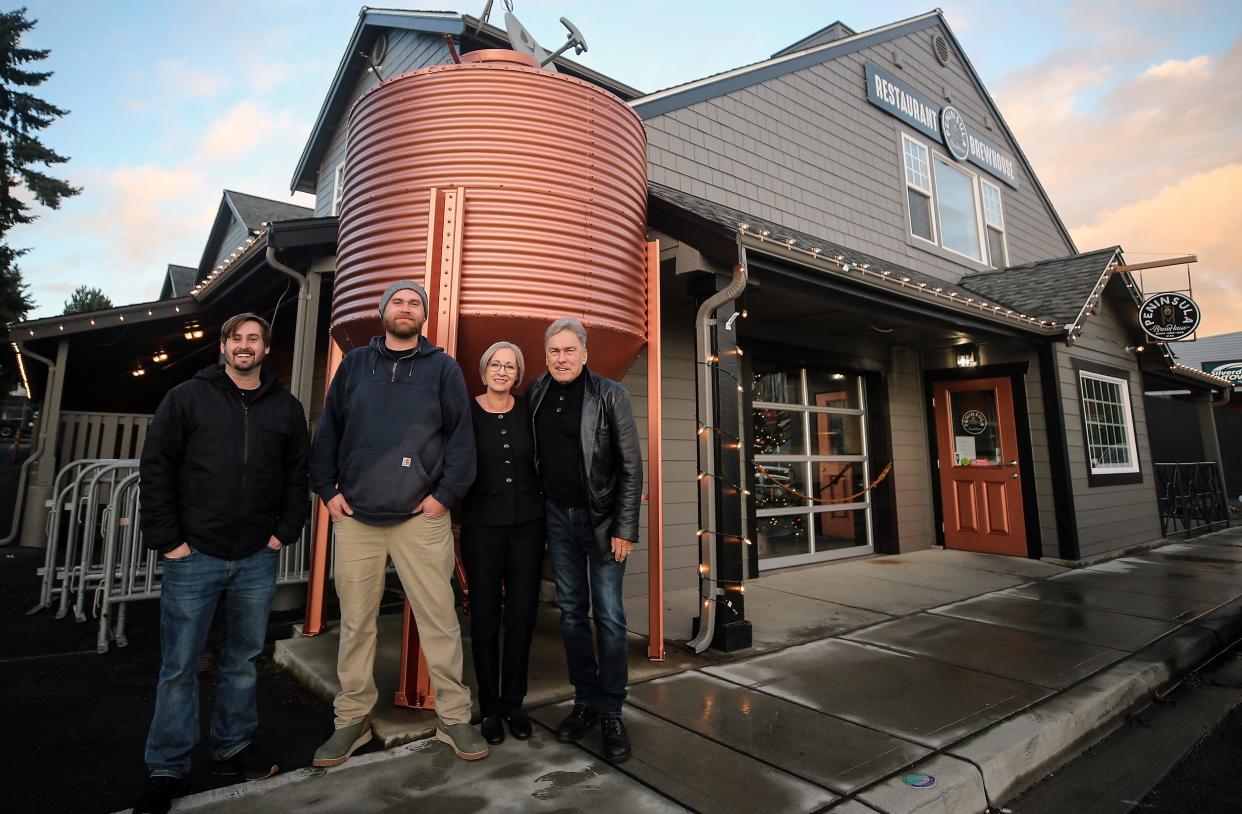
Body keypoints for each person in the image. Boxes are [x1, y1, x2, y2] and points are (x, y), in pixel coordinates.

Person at [134, 313, 309, 814]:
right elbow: (157, 467)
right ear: (224, 346)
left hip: (257, 555)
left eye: (254, 339)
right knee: (179, 666)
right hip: (195, 555)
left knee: (243, 660)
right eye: (236, 339)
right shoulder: (187, 398)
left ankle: (233, 744)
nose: (245, 346)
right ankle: (167, 766)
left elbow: (297, 474)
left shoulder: (285, 407)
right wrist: (169, 541)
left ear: (266, 349)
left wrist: (284, 531)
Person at [309, 280, 487, 765]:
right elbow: (329, 432)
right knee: (357, 624)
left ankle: (454, 718)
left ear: (423, 316)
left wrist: (442, 498)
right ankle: (352, 720)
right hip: (358, 519)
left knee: (440, 621)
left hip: (420, 520)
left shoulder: (442, 369)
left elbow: (462, 441)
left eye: (414, 303)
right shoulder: (354, 366)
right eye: (398, 302)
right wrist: (328, 492)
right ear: (381, 311)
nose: (405, 309)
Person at [527, 316, 642, 763]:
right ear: (546, 355)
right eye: (554, 351)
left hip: (602, 522)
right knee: (572, 614)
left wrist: (624, 528)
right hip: (558, 518)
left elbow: (631, 467)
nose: (561, 358)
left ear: (585, 353)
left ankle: (612, 710)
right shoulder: (536, 393)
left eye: (569, 350)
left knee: (609, 617)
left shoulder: (610, 394)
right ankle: (585, 702)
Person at [459, 342, 544, 745]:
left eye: (510, 366)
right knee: (486, 619)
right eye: (495, 364)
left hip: (528, 526)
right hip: (481, 528)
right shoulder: (466, 409)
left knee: (523, 617)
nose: (502, 371)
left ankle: (514, 703)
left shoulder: (529, 408)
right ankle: (490, 707)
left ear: (518, 373)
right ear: (483, 368)